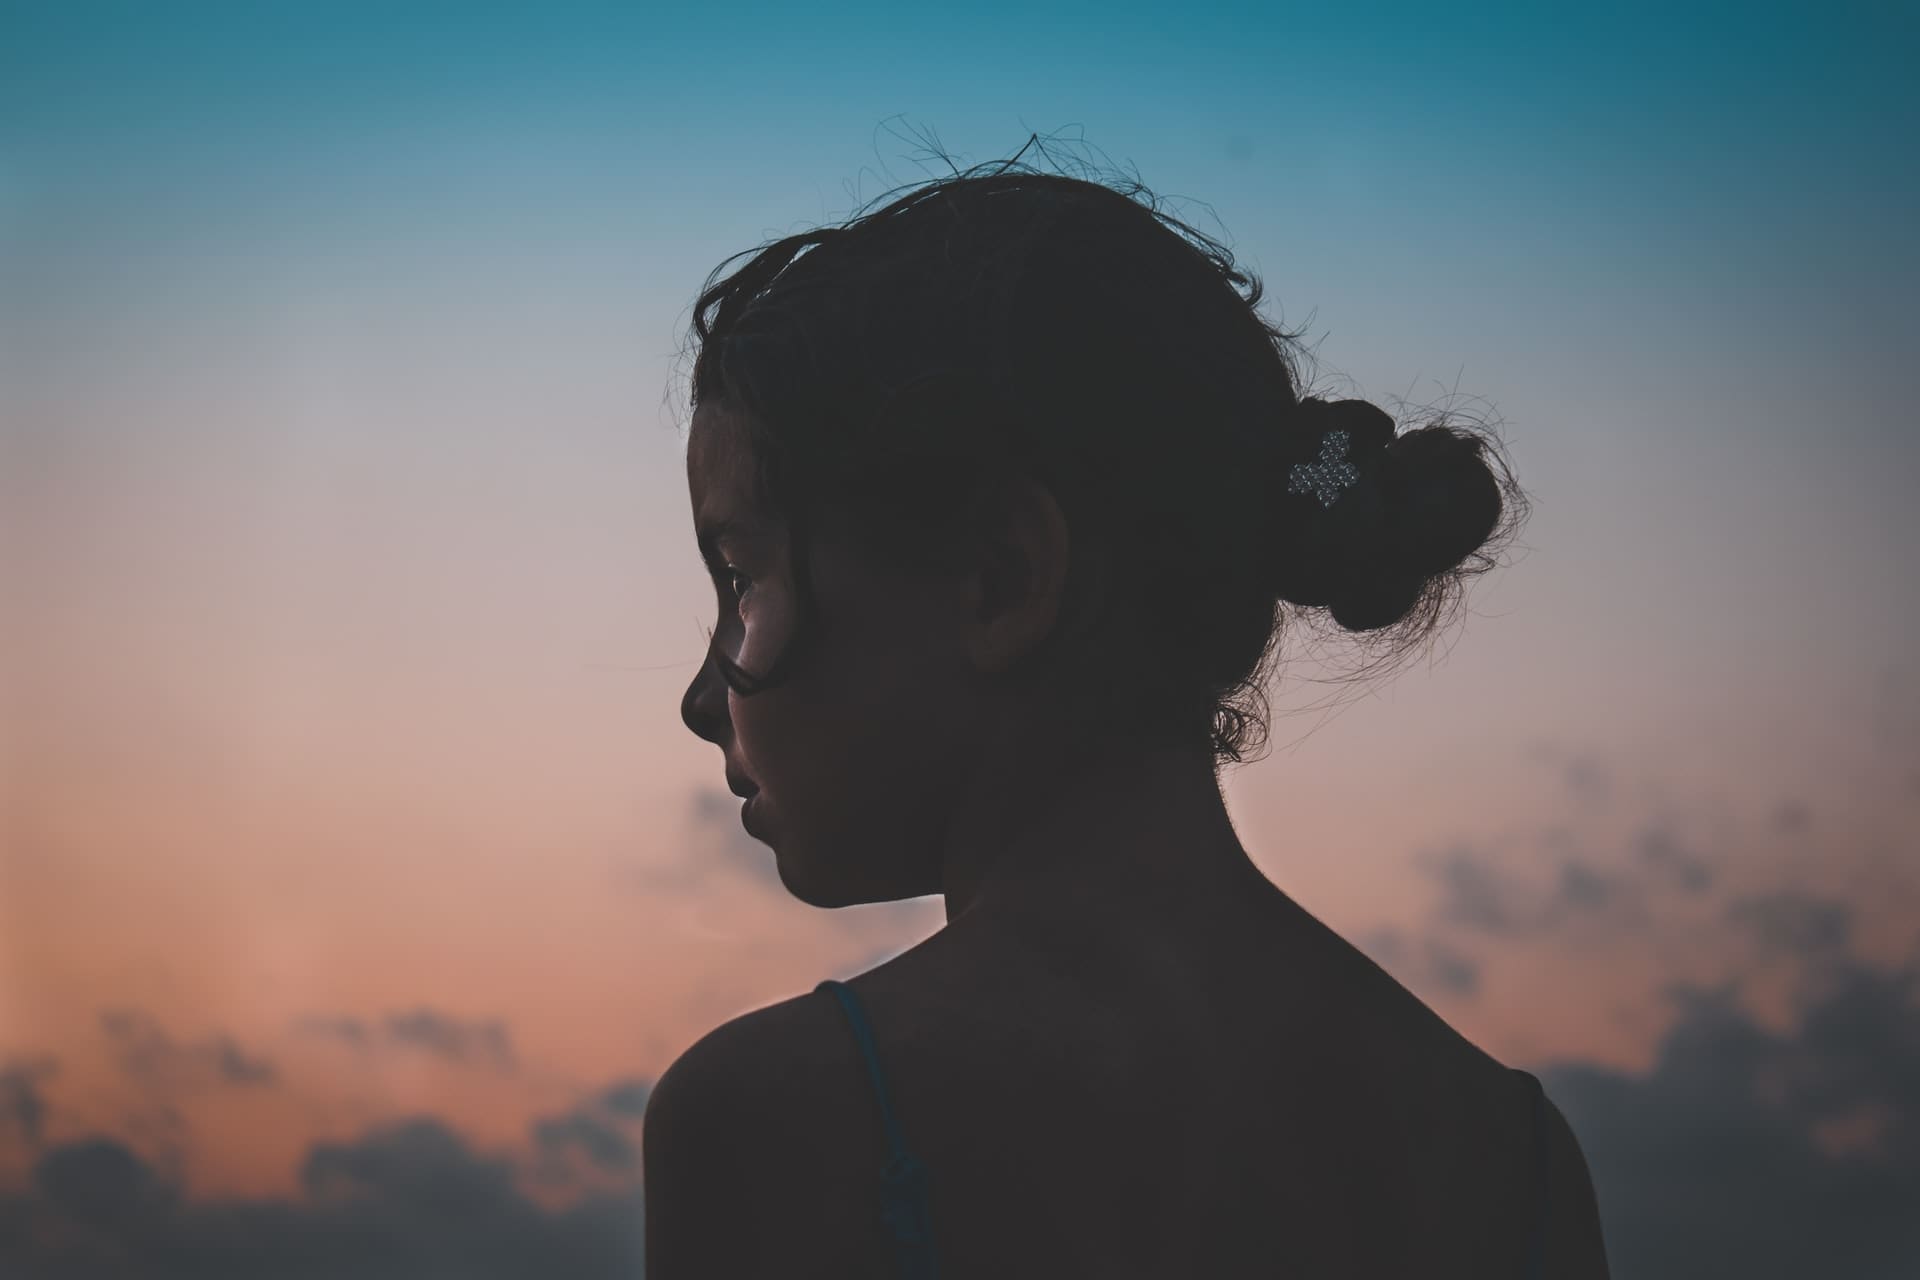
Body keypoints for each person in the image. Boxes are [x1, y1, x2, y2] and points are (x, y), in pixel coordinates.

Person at [646, 133, 1611, 1278]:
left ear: (1003, 577)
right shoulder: (1512, 1155)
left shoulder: (784, 1118)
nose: (705, 698)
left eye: (746, 578)